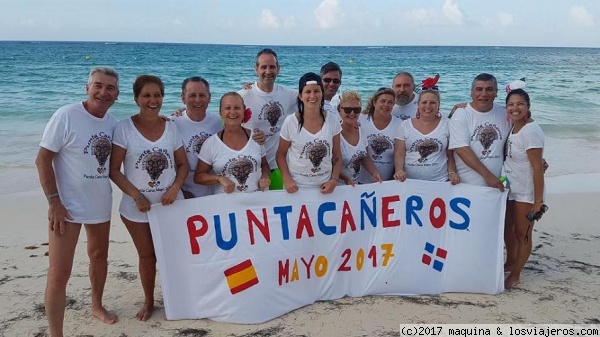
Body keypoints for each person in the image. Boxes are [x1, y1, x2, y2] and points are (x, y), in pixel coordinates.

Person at [35, 66, 119, 337]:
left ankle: (97, 305)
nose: (103, 92)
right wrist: (53, 201)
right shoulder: (66, 115)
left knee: (99, 256)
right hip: (66, 207)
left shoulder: (113, 123)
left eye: (109, 88)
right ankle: (56, 333)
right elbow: (42, 159)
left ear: (117, 95)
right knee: (59, 272)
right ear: (87, 88)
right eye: (98, 85)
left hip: (99, 202)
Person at [109, 75, 188, 321]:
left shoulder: (171, 127)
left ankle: (180, 296)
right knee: (147, 256)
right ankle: (149, 301)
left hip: (172, 205)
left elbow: (183, 164)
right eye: (147, 95)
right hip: (137, 209)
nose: (153, 101)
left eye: (157, 95)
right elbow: (113, 169)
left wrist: (175, 188)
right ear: (136, 98)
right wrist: (136, 196)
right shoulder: (124, 128)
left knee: (174, 253)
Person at [502, 88, 545, 289]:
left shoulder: (530, 130)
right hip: (512, 188)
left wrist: (538, 202)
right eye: (511, 104)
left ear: (528, 106)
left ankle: (516, 274)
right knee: (507, 230)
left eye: (519, 104)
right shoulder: (514, 126)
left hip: (527, 192)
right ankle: (510, 262)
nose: (515, 108)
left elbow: (537, 168)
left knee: (523, 233)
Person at [239, 48, 297, 190]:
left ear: (278, 69)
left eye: (272, 67)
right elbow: (227, 127)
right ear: (256, 69)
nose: (268, 71)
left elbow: (314, 99)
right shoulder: (242, 96)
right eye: (263, 67)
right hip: (251, 169)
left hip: (278, 168)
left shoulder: (289, 94)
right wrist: (185, 111)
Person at [276, 72, 342, 193]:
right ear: (301, 96)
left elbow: (337, 156)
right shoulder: (290, 121)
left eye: (317, 91)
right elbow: (280, 155)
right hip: (296, 187)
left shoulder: (332, 120)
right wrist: (287, 179)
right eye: (308, 92)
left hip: (325, 186)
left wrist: (334, 180)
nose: (312, 96)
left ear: (322, 94)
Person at [195, 92, 271, 193]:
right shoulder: (211, 143)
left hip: (257, 203)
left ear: (244, 111)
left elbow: (265, 165)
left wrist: (265, 176)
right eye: (227, 108)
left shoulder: (256, 137)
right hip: (227, 205)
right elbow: (198, 176)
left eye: (237, 108)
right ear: (220, 112)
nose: (232, 112)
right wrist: (219, 178)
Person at [448, 73, 511, 190]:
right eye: (479, 89)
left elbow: (516, 141)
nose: (484, 94)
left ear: (496, 92)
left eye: (489, 89)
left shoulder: (505, 114)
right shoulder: (461, 114)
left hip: (494, 186)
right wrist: (488, 176)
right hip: (464, 185)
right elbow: (462, 150)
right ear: (471, 93)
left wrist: (534, 160)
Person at [393, 76, 460, 184]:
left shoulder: (447, 124)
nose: (428, 106)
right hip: (408, 182)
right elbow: (399, 153)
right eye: (424, 102)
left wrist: (452, 173)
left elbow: (450, 154)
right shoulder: (404, 125)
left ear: (438, 105)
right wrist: (399, 170)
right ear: (418, 105)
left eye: (432, 103)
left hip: (440, 181)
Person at [170, 76, 222, 198]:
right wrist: (180, 192)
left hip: (216, 193)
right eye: (192, 96)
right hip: (185, 195)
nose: (197, 100)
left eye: (202, 95)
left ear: (209, 98)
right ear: (183, 98)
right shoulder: (171, 123)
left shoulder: (220, 123)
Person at [337, 90, 382, 186]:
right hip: (336, 188)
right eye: (348, 110)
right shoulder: (335, 134)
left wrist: (374, 173)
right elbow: (328, 165)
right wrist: (344, 178)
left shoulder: (361, 130)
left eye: (356, 110)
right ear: (340, 110)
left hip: (355, 187)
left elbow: (364, 157)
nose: (352, 113)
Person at [358, 87, 401, 183]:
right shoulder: (361, 120)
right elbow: (361, 152)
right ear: (374, 103)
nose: (386, 105)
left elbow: (399, 154)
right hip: (360, 181)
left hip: (387, 182)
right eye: (383, 101)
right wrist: (374, 173)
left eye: (390, 102)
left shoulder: (399, 124)